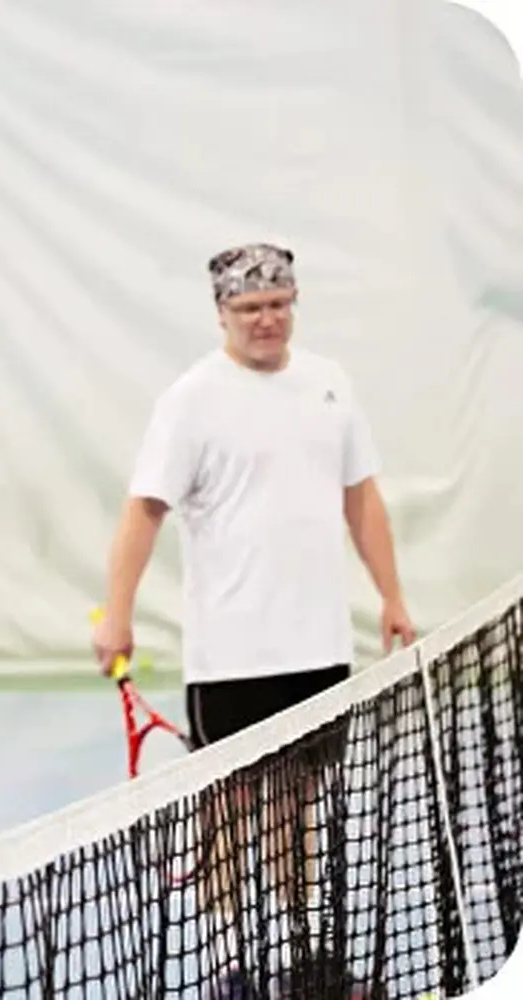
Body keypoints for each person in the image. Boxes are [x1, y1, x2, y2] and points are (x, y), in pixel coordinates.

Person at [91, 242, 415, 993]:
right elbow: (144, 511)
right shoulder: (190, 400)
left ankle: (301, 954)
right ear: (221, 313)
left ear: (293, 303)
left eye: (278, 304)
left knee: (299, 808)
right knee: (230, 813)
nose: (267, 319)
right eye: (249, 308)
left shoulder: (329, 384)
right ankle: (230, 966)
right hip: (230, 656)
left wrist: (392, 596)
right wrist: (118, 614)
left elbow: (361, 498)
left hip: (319, 651)